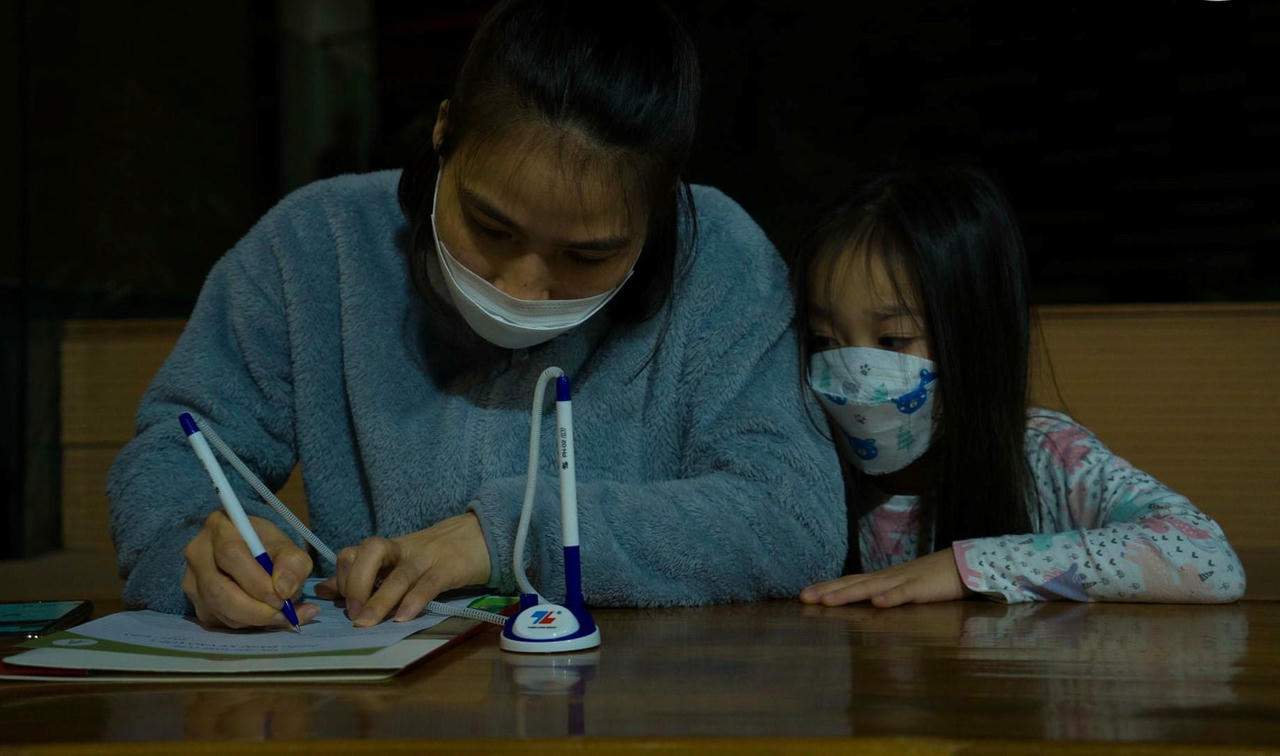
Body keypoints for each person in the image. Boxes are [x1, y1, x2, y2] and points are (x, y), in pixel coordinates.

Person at [107, 0, 845, 630]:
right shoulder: (315, 247)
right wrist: (200, 552)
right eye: (491, 228)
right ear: (444, 134)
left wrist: (510, 539)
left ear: (657, 217)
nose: (524, 286)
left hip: (636, 711)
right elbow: (174, 455)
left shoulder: (718, 262)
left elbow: (790, 516)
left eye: (587, 255)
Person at [793, 166, 1245, 607]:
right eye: (824, 340)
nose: (852, 373)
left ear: (978, 335)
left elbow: (1205, 555)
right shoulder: (804, 460)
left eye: (893, 339)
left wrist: (966, 568)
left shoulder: (1044, 456)